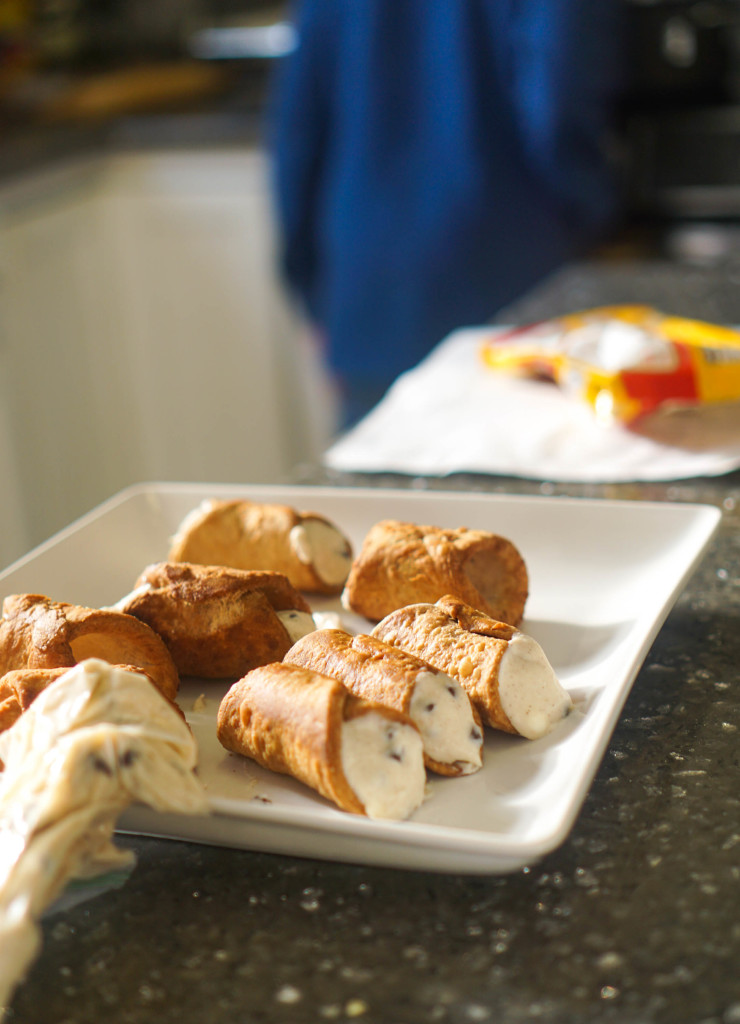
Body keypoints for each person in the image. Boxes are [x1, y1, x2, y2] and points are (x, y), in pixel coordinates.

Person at [268, 0, 626, 427]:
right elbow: (558, 96)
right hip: (507, 280)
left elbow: (298, 132)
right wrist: (599, 218)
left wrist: (312, 290)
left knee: (378, 481)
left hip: (369, 290)